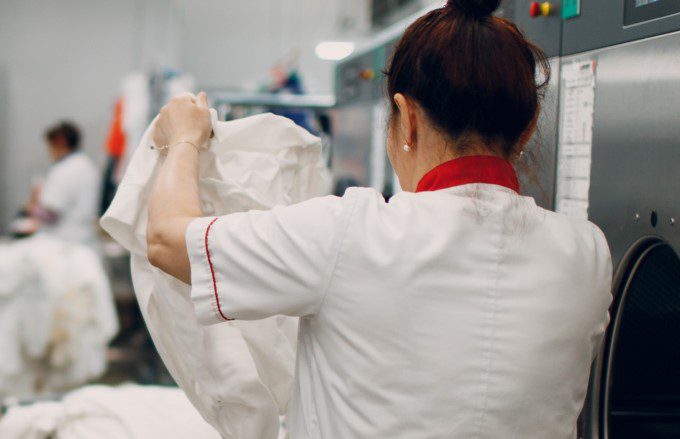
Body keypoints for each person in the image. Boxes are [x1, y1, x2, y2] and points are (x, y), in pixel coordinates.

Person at [145, 0, 612, 437]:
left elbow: (167, 240)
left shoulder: (350, 234)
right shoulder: (588, 256)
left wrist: (183, 139)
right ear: (527, 129)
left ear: (406, 120)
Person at [28, 121, 101, 249]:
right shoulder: (87, 165)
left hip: (64, 244)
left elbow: (50, 215)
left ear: (60, 141)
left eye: (50, 146)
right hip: (83, 241)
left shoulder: (65, 170)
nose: (49, 152)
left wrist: (33, 205)